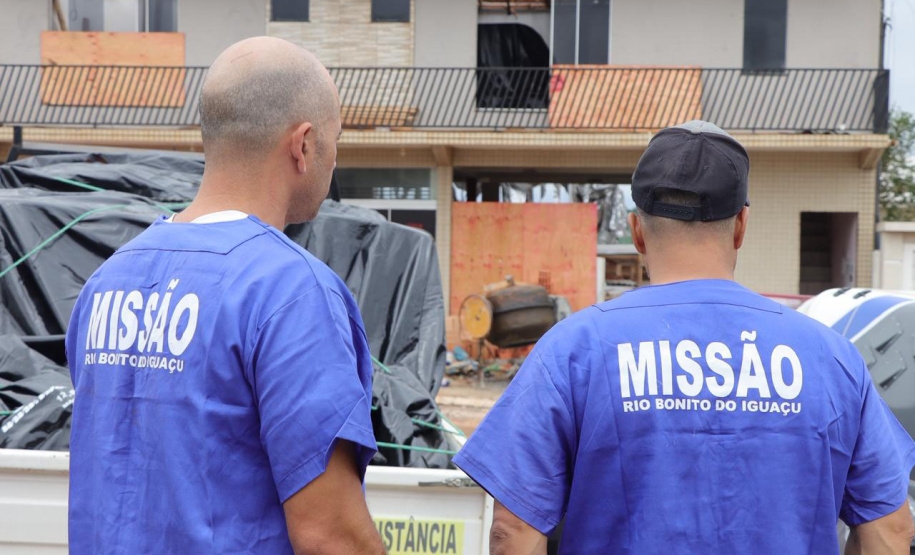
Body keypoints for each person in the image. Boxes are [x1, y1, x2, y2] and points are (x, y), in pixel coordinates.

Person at [453, 120, 915, 554]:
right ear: (740, 227)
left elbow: (513, 530)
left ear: (637, 230)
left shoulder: (575, 349)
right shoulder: (831, 357)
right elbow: (891, 529)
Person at [65, 37, 385, 553]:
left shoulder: (108, 282)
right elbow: (331, 536)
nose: (334, 162)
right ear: (303, 146)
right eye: (335, 141)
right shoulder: (292, 293)